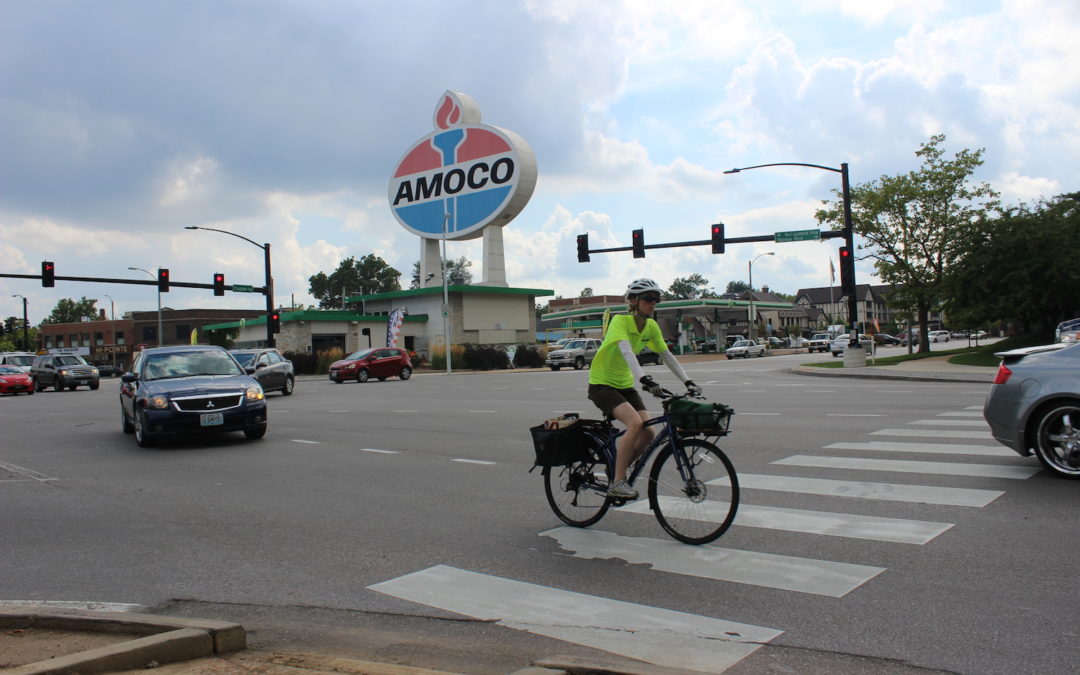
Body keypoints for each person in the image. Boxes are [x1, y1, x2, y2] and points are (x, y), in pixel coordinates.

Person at [587, 278, 702, 499]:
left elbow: (666, 355)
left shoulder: (651, 326)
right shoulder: (619, 322)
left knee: (648, 431)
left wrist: (687, 381)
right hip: (602, 384)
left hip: (624, 384)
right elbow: (627, 351)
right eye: (648, 299)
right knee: (635, 423)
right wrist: (645, 380)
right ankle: (618, 482)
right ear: (633, 301)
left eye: (656, 299)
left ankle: (617, 470)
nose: (653, 303)